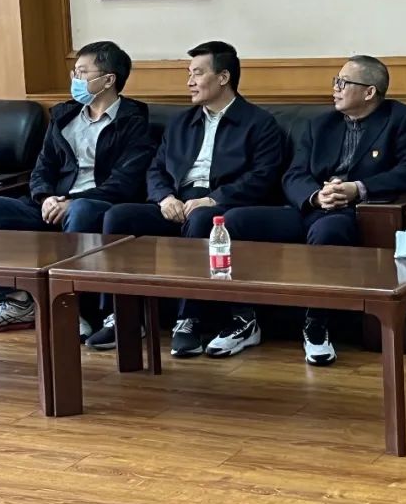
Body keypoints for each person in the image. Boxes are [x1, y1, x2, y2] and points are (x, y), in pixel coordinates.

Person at [222, 55, 406, 365]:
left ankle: (316, 325)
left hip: (353, 212)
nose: (335, 88)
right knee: (234, 221)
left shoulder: (399, 119)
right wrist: (316, 197)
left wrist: (358, 188)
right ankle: (244, 320)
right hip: (309, 207)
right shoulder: (320, 124)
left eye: (343, 82)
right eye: (336, 81)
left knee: (328, 230)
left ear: (369, 92)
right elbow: (293, 174)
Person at [95, 41, 285, 355]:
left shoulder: (259, 123)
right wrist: (164, 198)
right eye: (189, 74)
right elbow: (156, 168)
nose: (189, 82)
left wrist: (214, 199)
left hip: (220, 205)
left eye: (197, 73)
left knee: (201, 219)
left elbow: (262, 177)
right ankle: (123, 315)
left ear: (223, 77)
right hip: (176, 202)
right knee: (118, 216)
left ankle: (189, 319)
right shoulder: (181, 122)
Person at [0, 41, 153, 336]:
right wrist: (45, 197)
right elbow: (42, 167)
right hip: (52, 204)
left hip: (97, 204)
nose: (75, 79)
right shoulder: (64, 117)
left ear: (108, 80)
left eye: (82, 73)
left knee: (81, 210)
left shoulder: (134, 122)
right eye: (73, 72)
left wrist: (71, 201)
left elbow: (125, 181)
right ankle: (15, 302)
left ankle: (73, 309)